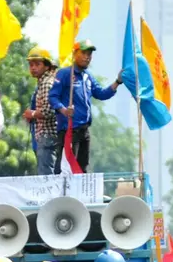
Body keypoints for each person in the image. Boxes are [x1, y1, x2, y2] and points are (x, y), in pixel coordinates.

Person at [48, 39, 121, 173]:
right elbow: (52, 97)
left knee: (82, 167)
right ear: (75, 54)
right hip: (69, 130)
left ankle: (80, 194)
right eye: (84, 53)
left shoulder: (88, 77)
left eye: (89, 54)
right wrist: (63, 110)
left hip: (84, 130)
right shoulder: (64, 74)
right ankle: (62, 194)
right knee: (66, 167)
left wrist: (117, 82)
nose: (87, 57)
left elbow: (101, 94)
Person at [23, 47, 59, 175]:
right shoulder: (43, 82)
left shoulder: (46, 83)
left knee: (46, 176)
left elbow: (49, 111)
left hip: (47, 136)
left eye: (37, 64)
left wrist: (32, 114)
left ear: (47, 66)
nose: (33, 67)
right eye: (31, 64)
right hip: (45, 137)